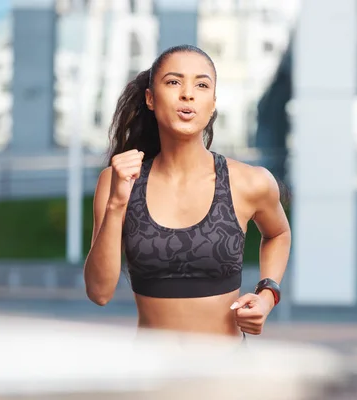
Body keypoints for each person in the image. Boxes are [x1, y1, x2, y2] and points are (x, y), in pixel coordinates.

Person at [83, 45, 291, 342]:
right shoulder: (118, 182)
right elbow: (99, 293)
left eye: (202, 85)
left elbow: (278, 234)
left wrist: (267, 294)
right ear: (150, 99)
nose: (188, 94)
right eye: (173, 82)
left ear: (213, 102)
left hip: (225, 373)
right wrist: (117, 203)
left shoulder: (249, 181)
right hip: (150, 374)